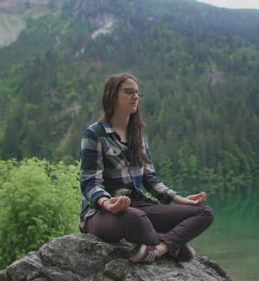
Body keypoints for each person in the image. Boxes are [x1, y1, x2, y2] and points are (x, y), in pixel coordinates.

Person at [78, 72, 214, 263]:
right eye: (129, 92)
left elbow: (151, 180)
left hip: (139, 205)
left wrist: (178, 199)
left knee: (204, 213)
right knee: (136, 218)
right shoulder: (95, 133)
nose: (136, 97)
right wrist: (107, 203)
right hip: (101, 212)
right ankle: (173, 244)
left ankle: (160, 248)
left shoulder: (138, 136)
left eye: (137, 93)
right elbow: (89, 182)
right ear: (112, 95)